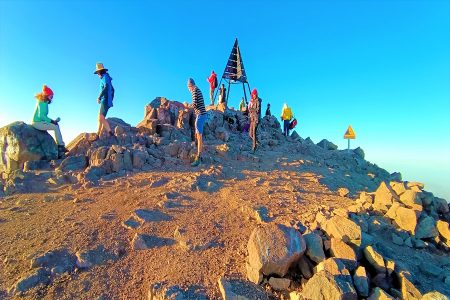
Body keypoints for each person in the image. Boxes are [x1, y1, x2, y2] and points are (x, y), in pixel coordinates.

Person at [31, 85, 67, 158]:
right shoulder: (42, 102)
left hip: (39, 122)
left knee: (55, 125)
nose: (52, 98)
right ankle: (60, 146)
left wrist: (52, 121)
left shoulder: (43, 102)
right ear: (47, 95)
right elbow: (41, 116)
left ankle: (60, 145)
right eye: (51, 96)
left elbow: (42, 116)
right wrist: (51, 121)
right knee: (55, 127)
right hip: (37, 123)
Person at [187, 78, 208, 167]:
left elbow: (195, 104)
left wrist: (187, 106)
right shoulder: (197, 90)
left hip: (201, 115)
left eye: (188, 87)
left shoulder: (194, 91)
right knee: (197, 134)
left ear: (190, 86)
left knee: (199, 136)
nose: (188, 89)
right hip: (201, 114)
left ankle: (198, 157)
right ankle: (197, 152)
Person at [94, 62, 115, 137]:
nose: (97, 75)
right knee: (100, 118)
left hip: (105, 99)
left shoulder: (105, 77)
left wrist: (99, 97)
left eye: (97, 73)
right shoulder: (105, 77)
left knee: (101, 117)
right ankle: (98, 134)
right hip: (106, 99)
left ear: (100, 72)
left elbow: (106, 87)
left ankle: (110, 132)